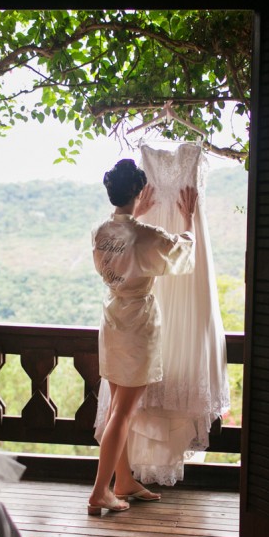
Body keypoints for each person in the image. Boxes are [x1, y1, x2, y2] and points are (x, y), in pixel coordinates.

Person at [87, 158, 198, 515]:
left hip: (112, 318)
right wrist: (190, 220)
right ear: (138, 191)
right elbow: (179, 251)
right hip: (137, 326)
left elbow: (127, 242)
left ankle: (123, 481)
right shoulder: (143, 235)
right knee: (123, 412)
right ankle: (99, 491)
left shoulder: (102, 231)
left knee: (119, 404)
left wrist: (137, 214)